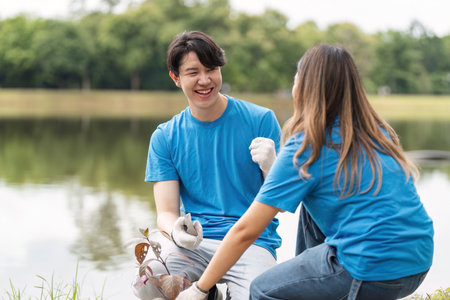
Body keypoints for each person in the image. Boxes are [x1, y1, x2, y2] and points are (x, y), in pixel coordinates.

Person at [176, 44, 434, 300]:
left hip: (371, 271)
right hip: (418, 261)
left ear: (304, 85)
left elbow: (246, 231)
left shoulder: (306, 147)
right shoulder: (378, 131)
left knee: (262, 289)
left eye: (296, 76)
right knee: (308, 213)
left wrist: (200, 289)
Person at [133, 31, 282, 299]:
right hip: (195, 245)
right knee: (149, 283)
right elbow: (166, 212)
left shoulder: (261, 120)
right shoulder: (165, 136)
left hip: (253, 242)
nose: (205, 80)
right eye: (193, 72)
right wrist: (177, 233)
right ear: (176, 78)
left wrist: (273, 168)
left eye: (211, 69)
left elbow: (281, 206)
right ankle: (208, 293)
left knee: (260, 294)